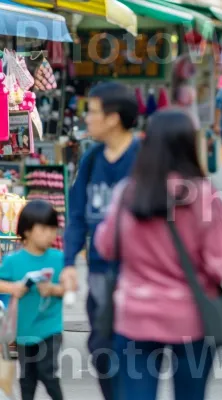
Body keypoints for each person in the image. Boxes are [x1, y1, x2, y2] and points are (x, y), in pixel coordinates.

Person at [94, 110, 222, 400]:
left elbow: (105, 246)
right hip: (191, 319)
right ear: (189, 144)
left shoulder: (128, 193)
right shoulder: (203, 195)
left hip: (135, 316)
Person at [61, 82, 140, 400]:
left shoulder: (145, 159)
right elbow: (77, 216)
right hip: (98, 271)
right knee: (100, 347)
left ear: (113, 118)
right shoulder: (92, 159)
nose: (87, 120)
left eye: (92, 112)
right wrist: (67, 263)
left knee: (131, 348)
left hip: (138, 273)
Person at [0, 201, 65, 400]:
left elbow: (67, 288)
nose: (51, 234)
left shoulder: (59, 258)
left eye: (54, 229)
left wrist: (54, 289)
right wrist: (13, 288)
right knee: (27, 377)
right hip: (23, 330)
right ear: (27, 231)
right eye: (44, 228)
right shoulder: (13, 261)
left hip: (50, 327)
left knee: (47, 371)